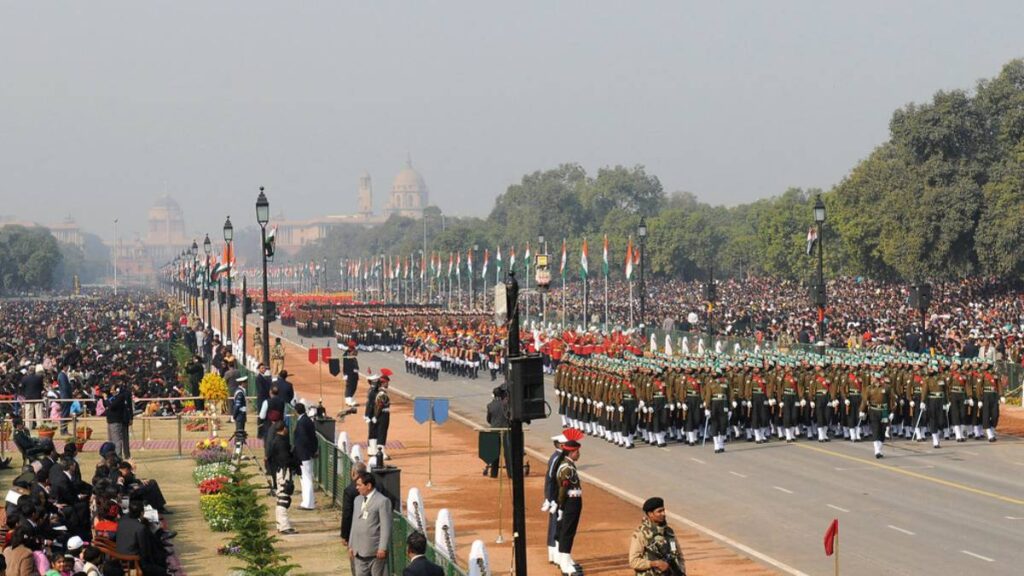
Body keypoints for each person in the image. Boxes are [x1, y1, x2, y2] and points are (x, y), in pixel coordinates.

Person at [349, 471, 392, 576]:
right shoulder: (357, 500)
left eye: (359, 485)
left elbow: (386, 527)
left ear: (368, 486)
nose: (357, 488)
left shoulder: (382, 501)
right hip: (358, 551)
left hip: (375, 553)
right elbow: (354, 523)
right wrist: (351, 544)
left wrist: (382, 547)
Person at [629, 497, 685, 576]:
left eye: (663, 510)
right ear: (650, 514)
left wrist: (681, 571)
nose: (663, 514)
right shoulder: (641, 533)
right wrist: (654, 564)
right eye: (659, 511)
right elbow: (633, 561)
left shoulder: (669, 532)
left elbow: (678, 555)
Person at [555, 436, 583, 576]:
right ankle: (565, 563)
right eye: (577, 452)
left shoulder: (570, 465)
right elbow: (562, 489)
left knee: (568, 529)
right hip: (570, 502)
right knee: (568, 531)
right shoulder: (566, 468)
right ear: (571, 453)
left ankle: (565, 558)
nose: (578, 454)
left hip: (573, 501)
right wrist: (561, 506)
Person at [266, 421, 298, 534]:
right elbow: (286, 460)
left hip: (280, 471)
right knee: (283, 499)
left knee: (282, 498)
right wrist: (294, 460)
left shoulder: (275, 441)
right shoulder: (281, 443)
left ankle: (281, 524)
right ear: (284, 429)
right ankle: (283, 526)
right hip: (284, 472)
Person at [341, 462, 368, 575]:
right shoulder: (377, 485)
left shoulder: (350, 490)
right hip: (374, 531)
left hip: (355, 532)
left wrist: (345, 536)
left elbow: (347, 514)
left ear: (353, 473)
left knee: (357, 564)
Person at [293, 403, 318, 510]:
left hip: (304, 455)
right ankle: (306, 502)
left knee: (307, 478)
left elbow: (304, 440)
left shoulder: (302, 422)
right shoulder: (306, 420)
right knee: (304, 478)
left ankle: (309, 503)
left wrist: (306, 453)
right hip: (305, 454)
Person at [102, 377, 132, 460]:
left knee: (117, 440)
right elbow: (106, 405)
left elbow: (111, 406)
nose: (110, 391)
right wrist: (105, 397)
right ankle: (111, 456)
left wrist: (105, 398)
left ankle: (118, 457)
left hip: (116, 420)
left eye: (112, 389)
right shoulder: (111, 397)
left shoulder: (120, 397)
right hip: (110, 420)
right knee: (110, 440)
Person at [484, 386, 510, 478]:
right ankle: (510, 474)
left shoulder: (490, 405)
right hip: (506, 430)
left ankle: (494, 473)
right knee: (508, 453)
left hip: (494, 430)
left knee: (495, 453)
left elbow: (488, 419)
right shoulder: (506, 404)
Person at [342, 341, 360, 407]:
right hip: (349, 374)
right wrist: (345, 374)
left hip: (354, 374)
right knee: (349, 387)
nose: (354, 352)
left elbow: (356, 353)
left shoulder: (351, 356)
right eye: (353, 350)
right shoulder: (346, 355)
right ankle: (348, 401)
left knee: (354, 387)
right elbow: (346, 365)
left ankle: (350, 400)